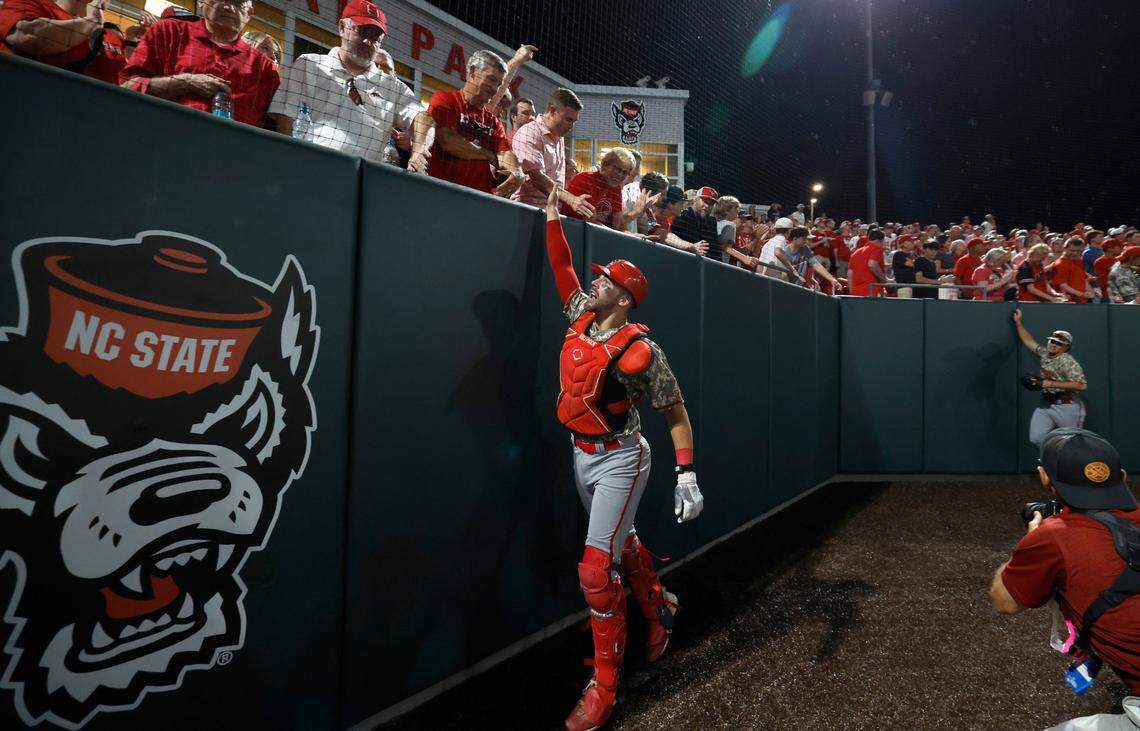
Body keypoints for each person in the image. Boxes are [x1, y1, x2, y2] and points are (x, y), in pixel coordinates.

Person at [543, 185, 704, 731]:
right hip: (580, 451)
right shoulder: (583, 319)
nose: (595, 282)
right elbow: (563, 269)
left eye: (606, 279)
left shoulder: (641, 350)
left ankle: (606, 686)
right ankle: (658, 605)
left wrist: (686, 474)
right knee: (620, 540)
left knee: (595, 570)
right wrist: (551, 218)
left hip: (621, 458)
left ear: (625, 297)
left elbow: (675, 411)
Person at [990, 429, 1140, 730]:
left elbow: (1004, 600)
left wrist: (1030, 542)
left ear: (1045, 478)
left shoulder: (1054, 537)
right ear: (1121, 476)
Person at [269, 1, 432, 170]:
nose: (368, 41)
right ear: (342, 27)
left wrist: (419, 149)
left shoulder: (392, 86)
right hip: (309, 168)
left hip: (363, 182)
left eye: (376, 37)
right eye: (361, 31)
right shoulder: (309, 65)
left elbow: (424, 117)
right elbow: (285, 121)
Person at [120, 0, 279, 128]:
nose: (228, 6)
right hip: (163, 141)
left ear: (249, 14)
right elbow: (127, 88)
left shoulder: (265, 68)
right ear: (202, 2)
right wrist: (186, 82)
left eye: (238, 2)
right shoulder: (168, 32)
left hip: (234, 158)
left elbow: (275, 127)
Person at [426, 49, 522, 196]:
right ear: (472, 72)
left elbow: (505, 153)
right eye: (491, 79)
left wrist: (517, 172)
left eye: (499, 83)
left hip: (479, 202)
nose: (495, 89)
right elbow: (448, 141)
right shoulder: (445, 100)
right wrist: (489, 155)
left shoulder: (494, 122)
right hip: (439, 193)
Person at [510, 87, 593, 216]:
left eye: (574, 121)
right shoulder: (529, 133)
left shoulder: (559, 137)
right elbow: (537, 177)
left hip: (550, 212)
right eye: (568, 119)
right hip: (525, 210)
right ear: (553, 111)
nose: (571, 126)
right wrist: (571, 199)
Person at [1, 0, 127, 84]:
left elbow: (120, 85)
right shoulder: (27, 3)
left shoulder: (112, 37)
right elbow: (29, 37)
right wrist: (91, 22)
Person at [1013, 309, 1087, 447]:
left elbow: (1081, 385)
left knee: (1071, 444)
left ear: (1066, 347)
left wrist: (1050, 384)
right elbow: (1029, 341)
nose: (1053, 344)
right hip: (1046, 404)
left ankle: (1075, 467)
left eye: (1058, 343)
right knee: (1037, 438)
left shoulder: (1067, 361)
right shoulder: (1045, 354)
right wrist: (1018, 323)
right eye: (1052, 341)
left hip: (1067, 405)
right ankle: (1052, 464)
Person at [564, 148, 651, 230]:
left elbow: (618, 224)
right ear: (604, 164)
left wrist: (640, 237)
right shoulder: (586, 179)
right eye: (617, 169)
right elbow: (590, 221)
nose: (620, 175)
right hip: (573, 232)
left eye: (624, 172)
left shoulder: (615, 188)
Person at [641, 185, 708, 256]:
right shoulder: (652, 216)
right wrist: (692, 246)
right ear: (670, 204)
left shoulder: (673, 218)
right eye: (680, 203)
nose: (683, 207)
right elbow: (665, 236)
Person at [776, 227, 842, 292]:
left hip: (799, 287)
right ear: (795, 239)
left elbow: (816, 264)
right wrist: (790, 291)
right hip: (786, 288)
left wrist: (832, 279)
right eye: (804, 239)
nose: (806, 241)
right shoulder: (785, 252)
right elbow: (784, 275)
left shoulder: (805, 249)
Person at [671, 186, 718, 256]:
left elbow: (715, 250)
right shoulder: (683, 215)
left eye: (711, 204)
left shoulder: (711, 222)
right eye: (705, 201)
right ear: (695, 200)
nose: (707, 206)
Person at [1051, 236, 1098, 303]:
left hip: (1083, 301)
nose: (1075, 253)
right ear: (1065, 248)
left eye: (1078, 251)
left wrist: (1091, 293)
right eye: (1072, 250)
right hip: (1068, 302)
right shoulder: (1060, 264)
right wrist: (1082, 294)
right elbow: (1062, 285)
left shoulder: (1078, 261)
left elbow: (1084, 280)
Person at [847, 228, 889, 296]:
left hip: (856, 293)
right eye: (884, 241)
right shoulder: (877, 249)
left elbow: (850, 273)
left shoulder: (856, 252)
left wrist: (852, 292)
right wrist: (885, 280)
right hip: (872, 291)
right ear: (880, 240)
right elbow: (872, 264)